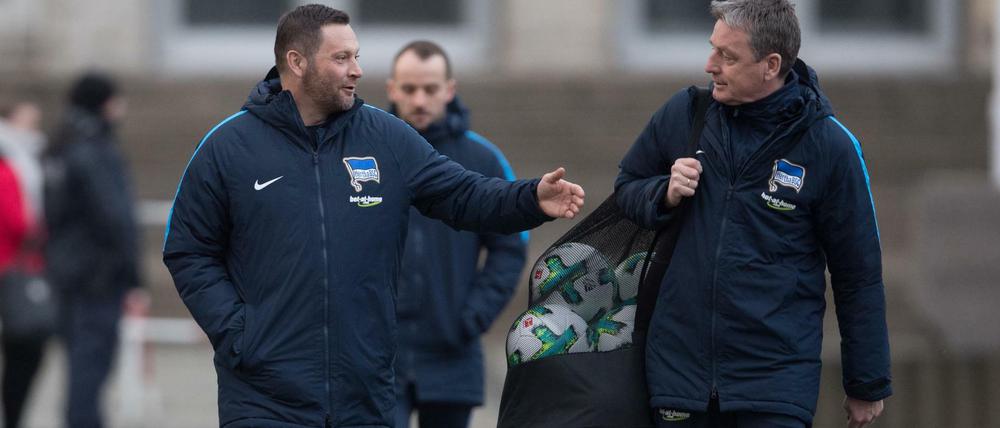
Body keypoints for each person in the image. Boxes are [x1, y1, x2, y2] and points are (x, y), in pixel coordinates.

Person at [162, 5, 584, 428]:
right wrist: (240, 333)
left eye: (356, 56)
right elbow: (187, 249)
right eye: (341, 58)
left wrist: (530, 198)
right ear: (296, 61)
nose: (357, 70)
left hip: (363, 395)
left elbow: (463, 193)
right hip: (263, 397)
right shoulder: (227, 146)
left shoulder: (386, 137)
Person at [615, 1, 890, 427]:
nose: (710, 65)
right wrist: (663, 193)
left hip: (774, 385)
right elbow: (626, 188)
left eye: (727, 56)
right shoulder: (685, 115)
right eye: (713, 49)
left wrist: (866, 383)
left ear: (771, 64)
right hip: (677, 377)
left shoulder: (829, 145)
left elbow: (859, 272)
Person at [386, 41, 527, 428]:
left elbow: (510, 247)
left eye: (430, 89)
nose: (419, 100)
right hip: (379, 354)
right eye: (409, 88)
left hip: (452, 351)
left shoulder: (483, 159)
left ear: (450, 89)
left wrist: (472, 316)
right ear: (391, 89)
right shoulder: (367, 154)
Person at [44, 72, 148, 428]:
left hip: (68, 273)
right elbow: (115, 217)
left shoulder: (60, 146)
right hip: (97, 278)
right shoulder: (94, 150)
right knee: (91, 369)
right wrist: (134, 276)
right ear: (104, 103)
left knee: (79, 368)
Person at [0, 100, 48, 428]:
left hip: (17, 267)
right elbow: (18, 222)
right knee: (25, 351)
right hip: (12, 269)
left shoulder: (27, 161)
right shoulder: (10, 169)